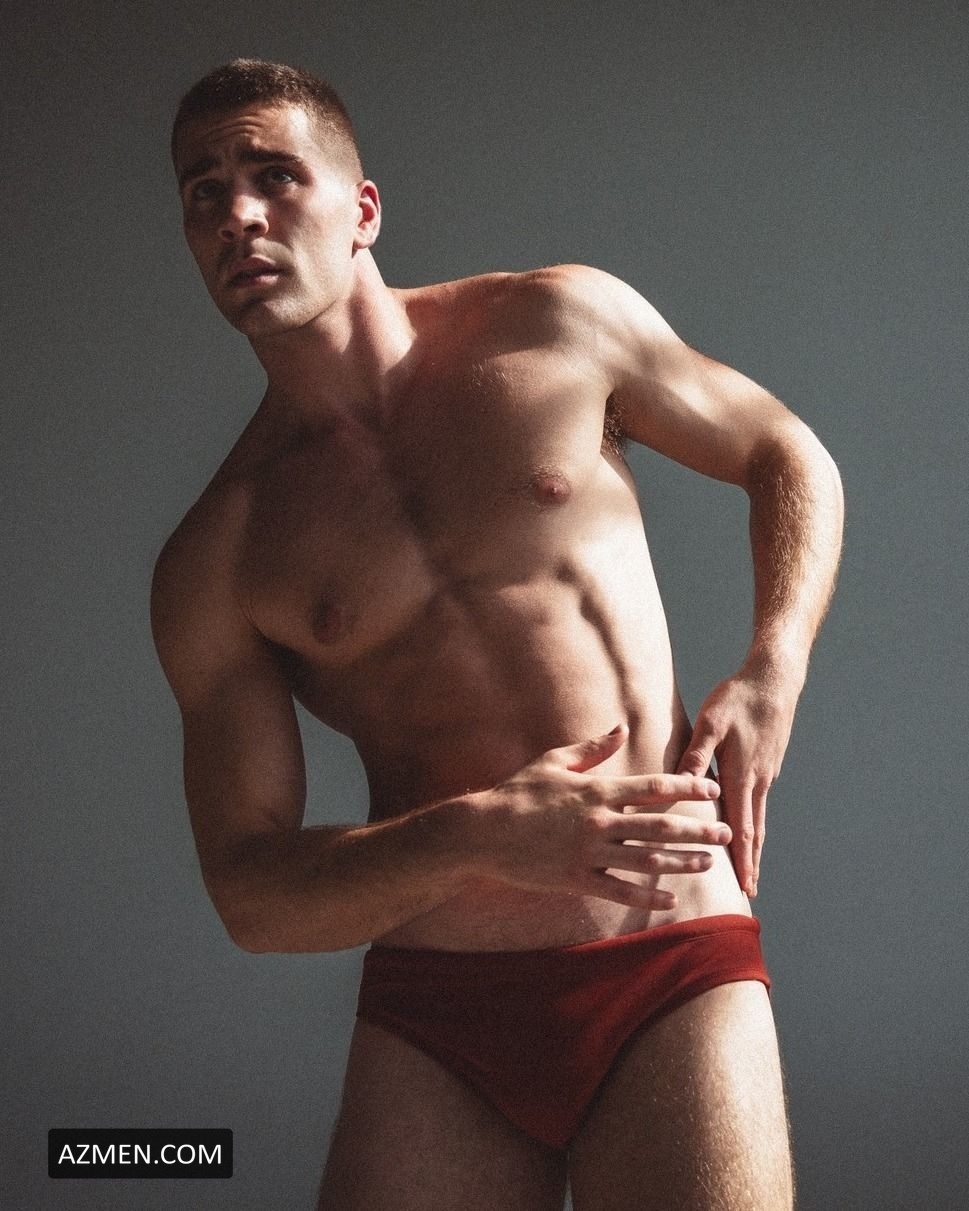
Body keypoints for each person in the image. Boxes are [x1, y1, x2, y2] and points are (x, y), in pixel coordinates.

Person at [152, 58, 843, 1211]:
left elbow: (786, 452)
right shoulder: (221, 551)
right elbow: (250, 891)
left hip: (666, 958)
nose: (239, 215)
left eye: (275, 176)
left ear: (363, 209)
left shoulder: (556, 323)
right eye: (204, 192)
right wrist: (475, 834)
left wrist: (777, 660)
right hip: (439, 1016)